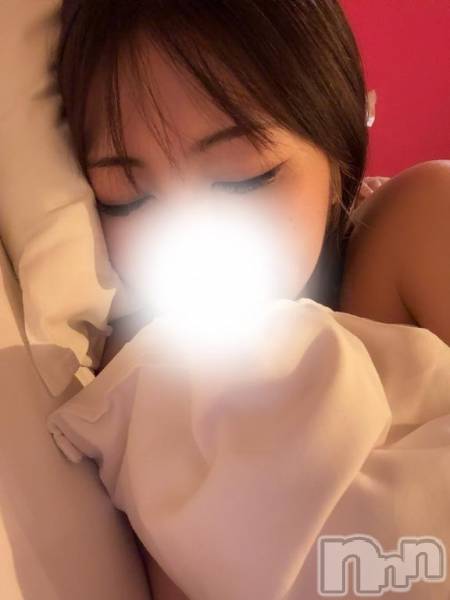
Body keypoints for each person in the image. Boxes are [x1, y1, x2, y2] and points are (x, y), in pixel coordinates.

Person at [57, 1, 449, 597]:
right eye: (125, 197)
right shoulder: (142, 384)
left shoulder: (419, 223)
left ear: (340, 155)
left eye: (243, 177)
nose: (188, 238)